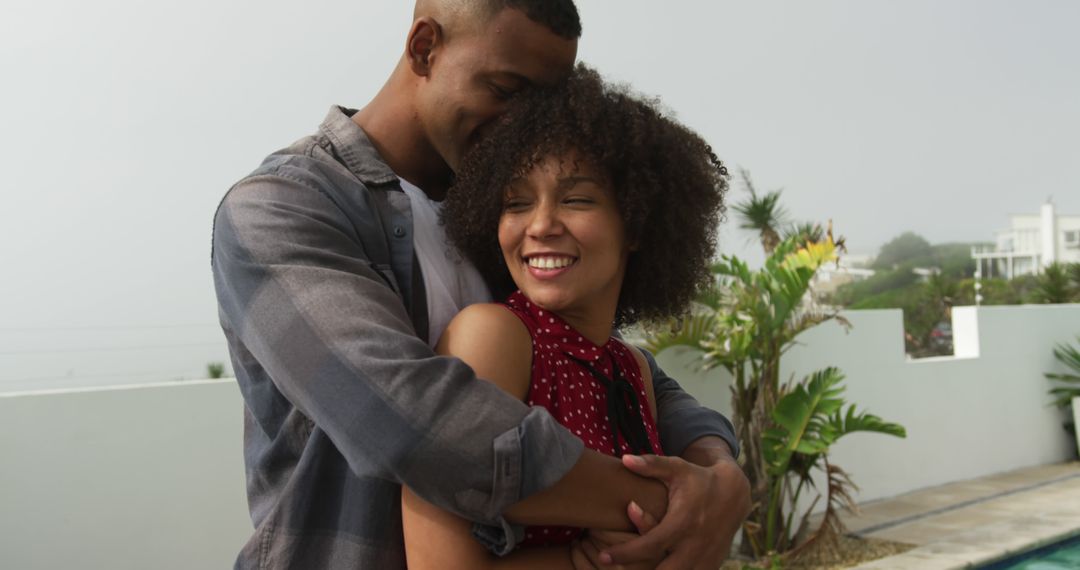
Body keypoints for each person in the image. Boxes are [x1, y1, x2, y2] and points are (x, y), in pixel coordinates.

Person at [211, 1, 750, 568]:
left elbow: (607, 359)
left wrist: (718, 470)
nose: (521, 125)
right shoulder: (280, 208)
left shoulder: (495, 215)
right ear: (425, 47)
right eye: (506, 90)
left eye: (541, 106)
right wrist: (661, 507)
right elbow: (410, 421)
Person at [401, 64, 731, 569]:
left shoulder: (630, 368)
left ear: (637, 223)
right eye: (515, 202)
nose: (540, 225)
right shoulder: (494, 336)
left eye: (576, 199)